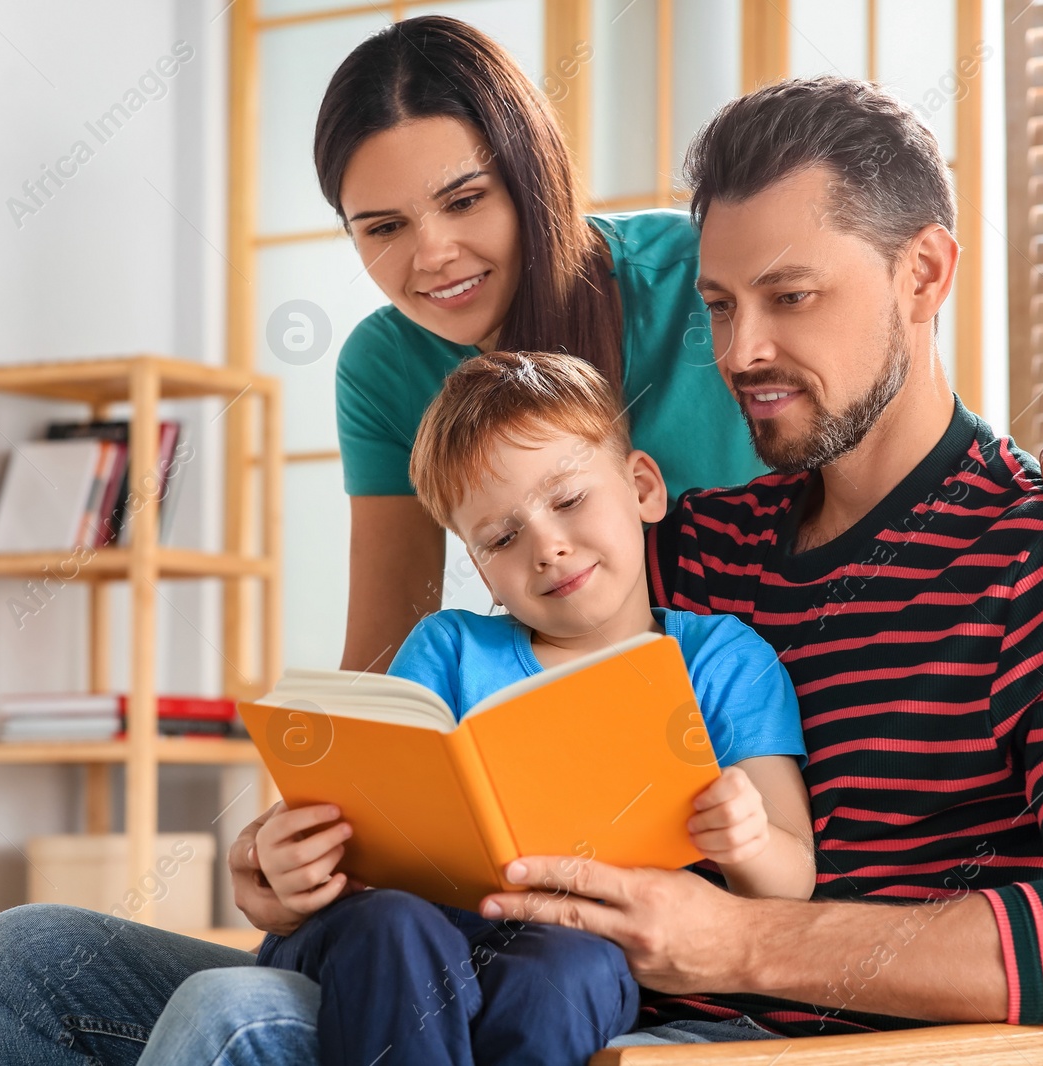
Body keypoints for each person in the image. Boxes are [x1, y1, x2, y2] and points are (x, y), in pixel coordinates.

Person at [475, 76, 1043, 1041]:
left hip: (786, 1054)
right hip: (560, 1016)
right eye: (721, 305)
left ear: (924, 274)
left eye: (790, 296)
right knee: (232, 998)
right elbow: (489, 746)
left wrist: (744, 941)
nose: (742, 352)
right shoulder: (693, 553)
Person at [322, 15, 1043, 674]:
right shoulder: (385, 368)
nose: (431, 256)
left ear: (532, 176)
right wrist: (326, 817)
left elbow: (882, 407)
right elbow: (384, 651)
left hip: (786, 672)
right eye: (384, 226)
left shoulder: (699, 275)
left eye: (466, 201)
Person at [250, 350, 814, 1066]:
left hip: (576, 941)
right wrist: (297, 856)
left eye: (570, 500)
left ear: (642, 487)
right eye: (501, 538)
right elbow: (365, 821)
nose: (546, 547)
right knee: (391, 925)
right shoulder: (448, 648)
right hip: (408, 927)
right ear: (478, 563)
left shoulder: (721, 661)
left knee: (569, 968)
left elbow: (792, 881)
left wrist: (747, 841)